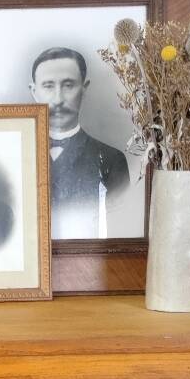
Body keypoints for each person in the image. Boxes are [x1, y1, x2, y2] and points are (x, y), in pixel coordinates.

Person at [29, 47, 130, 238]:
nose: (58, 99)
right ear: (34, 92)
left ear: (84, 89)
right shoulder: (16, 157)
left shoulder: (111, 160)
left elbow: (119, 233)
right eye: (48, 86)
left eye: (68, 85)